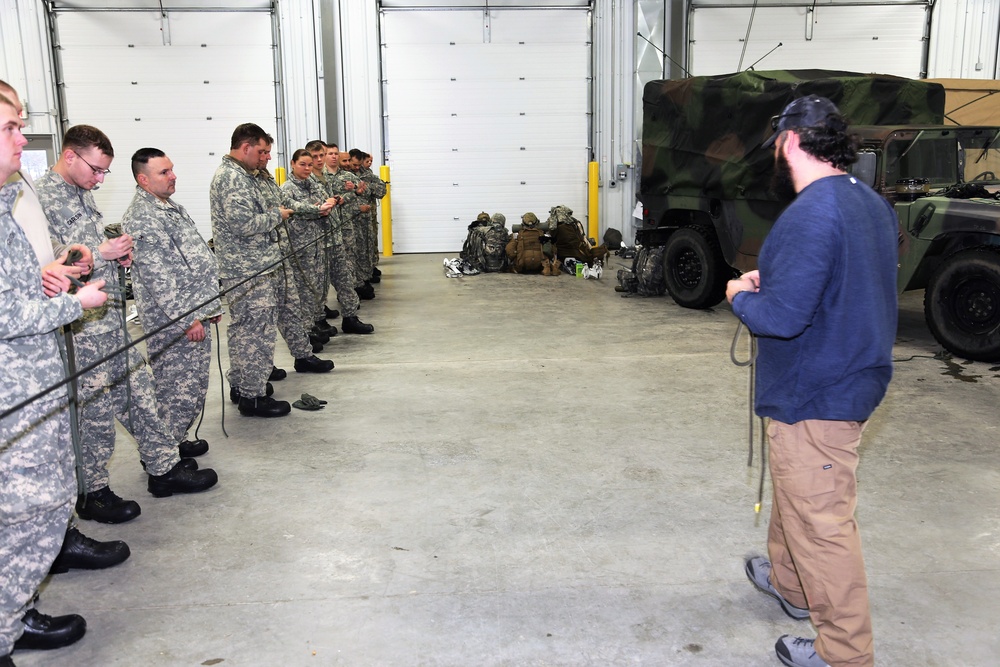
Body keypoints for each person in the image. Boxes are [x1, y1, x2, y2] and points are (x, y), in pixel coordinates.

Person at [726, 96, 897, 667]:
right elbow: (835, 281)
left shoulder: (809, 213)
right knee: (797, 494)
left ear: (791, 142)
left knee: (822, 522)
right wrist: (771, 279)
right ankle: (791, 585)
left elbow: (780, 318)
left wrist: (742, 297)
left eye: (777, 142)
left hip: (818, 390)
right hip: (847, 371)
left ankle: (845, 654)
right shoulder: (866, 203)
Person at [36, 125, 218, 523]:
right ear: (70, 156)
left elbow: (90, 256)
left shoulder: (82, 196)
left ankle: (163, 468)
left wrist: (115, 258)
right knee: (95, 415)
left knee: (141, 395)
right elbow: (43, 268)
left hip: (107, 321)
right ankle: (93, 492)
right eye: (96, 170)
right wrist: (101, 252)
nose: (100, 179)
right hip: (77, 331)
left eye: (105, 172)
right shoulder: (40, 199)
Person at [0, 79, 131, 575]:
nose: (23, 140)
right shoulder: (36, 189)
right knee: (29, 483)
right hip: (29, 357)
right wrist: (78, 297)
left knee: (45, 474)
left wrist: (53, 270)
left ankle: (52, 546)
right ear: (74, 158)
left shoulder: (20, 189)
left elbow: (23, 269)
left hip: (40, 350)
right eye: (12, 127)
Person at [210, 124, 331, 419]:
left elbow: (279, 203)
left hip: (263, 263)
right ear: (245, 147)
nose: (266, 157)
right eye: (262, 151)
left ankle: (244, 383)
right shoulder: (232, 178)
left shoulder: (251, 176)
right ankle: (252, 397)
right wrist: (276, 216)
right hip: (248, 268)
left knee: (248, 330)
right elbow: (243, 224)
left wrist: (310, 209)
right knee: (256, 331)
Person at [121, 148, 222, 454]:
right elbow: (157, 279)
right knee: (177, 391)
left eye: (171, 169)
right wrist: (187, 319)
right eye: (164, 172)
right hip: (173, 323)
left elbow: (191, 260)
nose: (173, 175)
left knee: (192, 389)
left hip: (193, 312)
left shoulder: (168, 207)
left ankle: (174, 441)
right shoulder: (142, 216)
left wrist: (208, 306)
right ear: (143, 179)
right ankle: (163, 460)